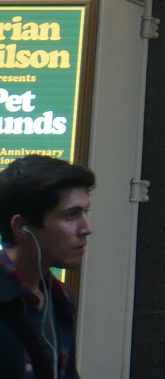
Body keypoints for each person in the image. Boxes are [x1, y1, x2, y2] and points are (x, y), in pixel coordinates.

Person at [0, 154, 94, 379]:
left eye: (85, 212)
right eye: (71, 215)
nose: (86, 228)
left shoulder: (58, 298)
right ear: (22, 227)